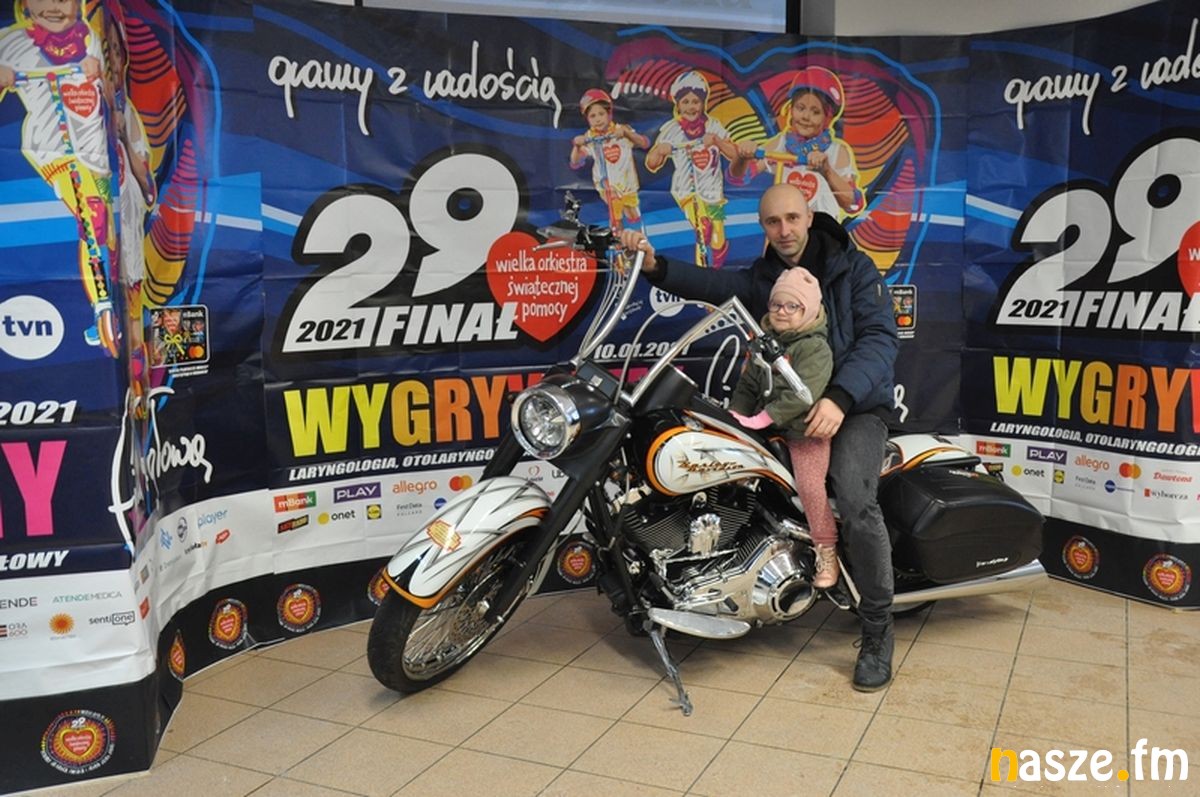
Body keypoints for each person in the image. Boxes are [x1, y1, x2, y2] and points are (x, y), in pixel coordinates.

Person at [619, 182, 899, 691]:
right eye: (773, 222)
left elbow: (880, 338)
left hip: (853, 407)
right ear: (763, 226)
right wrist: (656, 267)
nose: (784, 230)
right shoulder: (766, 278)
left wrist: (839, 398)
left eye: (792, 218)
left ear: (809, 216)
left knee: (856, 500)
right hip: (789, 408)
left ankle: (878, 630)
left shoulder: (853, 268)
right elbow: (713, 284)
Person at [0, 0, 119, 356]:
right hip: (53, 151)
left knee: (106, 235)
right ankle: (102, 307)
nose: (54, 6)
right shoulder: (11, 43)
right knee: (91, 213)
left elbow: (117, 101)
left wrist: (102, 76)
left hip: (97, 157)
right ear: (26, 5)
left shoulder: (94, 37)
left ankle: (103, 312)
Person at [728, 267, 840, 588]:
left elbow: (803, 395)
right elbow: (749, 385)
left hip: (804, 433)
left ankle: (826, 551)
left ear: (809, 311)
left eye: (793, 306)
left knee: (810, 486)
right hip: (767, 429)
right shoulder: (764, 342)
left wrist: (763, 418)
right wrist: (734, 416)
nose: (782, 312)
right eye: (776, 304)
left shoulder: (814, 348)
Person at [729, 66, 863, 218]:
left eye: (815, 112)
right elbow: (740, 178)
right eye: (800, 108)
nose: (805, 117)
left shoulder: (837, 151)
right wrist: (742, 157)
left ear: (827, 118)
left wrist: (827, 171)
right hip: (786, 227)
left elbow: (853, 204)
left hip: (822, 229)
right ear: (791, 110)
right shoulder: (780, 143)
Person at [644, 70, 740, 268]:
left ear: (703, 103)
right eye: (685, 101)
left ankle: (715, 268)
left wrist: (717, 141)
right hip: (686, 192)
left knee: (717, 241)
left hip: (713, 194)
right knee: (702, 227)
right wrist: (660, 150)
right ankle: (701, 272)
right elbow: (651, 164)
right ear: (678, 104)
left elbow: (734, 154)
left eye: (695, 101)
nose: (691, 106)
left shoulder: (713, 125)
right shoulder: (671, 129)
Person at [570, 88, 649, 231]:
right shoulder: (589, 137)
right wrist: (577, 146)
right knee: (615, 211)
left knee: (632, 212)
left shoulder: (621, 130)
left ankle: (639, 237)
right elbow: (575, 162)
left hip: (627, 183)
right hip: (605, 185)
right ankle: (617, 238)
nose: (598, 119)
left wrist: (627, 134)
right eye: (592, 116)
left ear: (609, 113)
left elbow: (644, 143)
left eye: (601, 114)